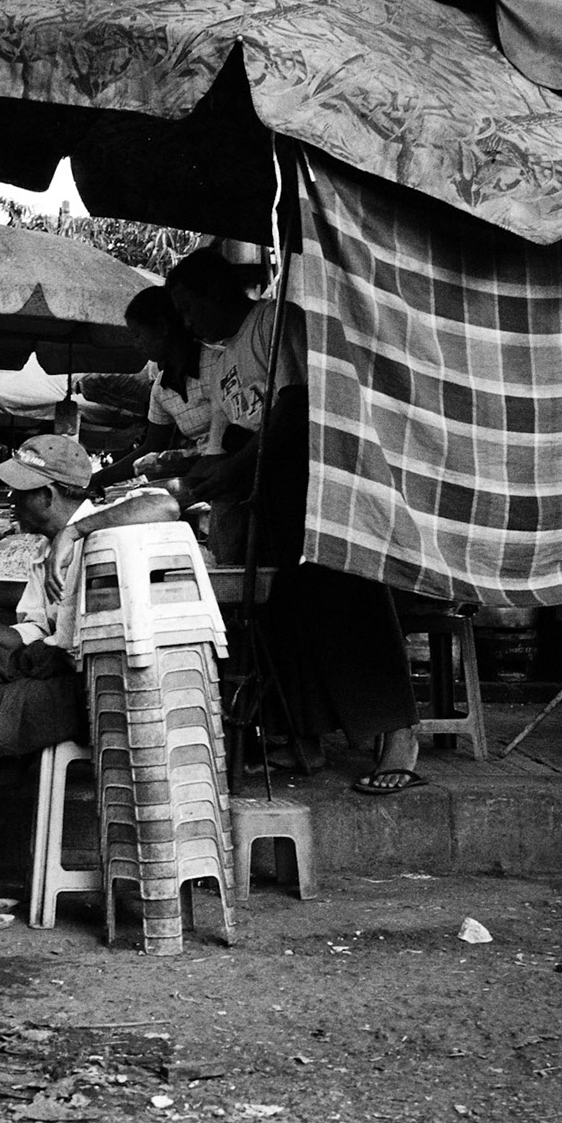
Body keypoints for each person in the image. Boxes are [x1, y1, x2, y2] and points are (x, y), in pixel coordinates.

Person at [167, 248, 423, 794]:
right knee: (284, 609)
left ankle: (398, 733)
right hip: (268, 490)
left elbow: (295, 404)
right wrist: (207, 478)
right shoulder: (224, 356)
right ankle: (304, 738)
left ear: (217, 291)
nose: (188, 324)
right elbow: (229, 437)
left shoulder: (274, 319)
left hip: (313, 477)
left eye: (190, 309)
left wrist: (237, 467)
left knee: (348, 593)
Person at [0, 435, 179, 893]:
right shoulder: (42, 557)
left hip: (105, 690)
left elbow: (166, 506)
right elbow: (27, 636)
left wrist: (74, 531)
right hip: (61, 680)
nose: (11, 502)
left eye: (20, 492)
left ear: (47, 496)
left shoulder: (106, 528)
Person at [90, 286, 224, 491]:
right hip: (209, 480)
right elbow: (152, 446)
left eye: (137, 334)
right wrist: (94, 481)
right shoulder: (161, 389)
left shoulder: (220, 363)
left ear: (162, 328)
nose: (136, 344)